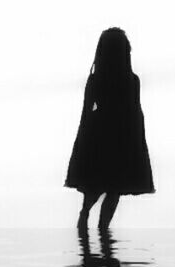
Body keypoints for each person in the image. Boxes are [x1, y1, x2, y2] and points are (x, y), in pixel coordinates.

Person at [65, 27, 155, 230]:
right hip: (112, 136)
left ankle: (92, 224)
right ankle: (93, 223)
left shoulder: (125, 80)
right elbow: (134, 112)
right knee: (107, 186)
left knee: (108, 187)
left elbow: (133, 111)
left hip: (108, 134)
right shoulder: (111, 80)